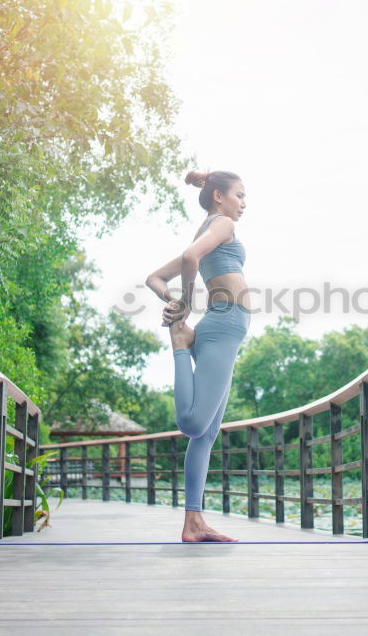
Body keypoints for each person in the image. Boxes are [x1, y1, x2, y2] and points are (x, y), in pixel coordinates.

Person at [144, 169, 250, 542]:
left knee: (205, 435)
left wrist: (172, 299)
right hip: (223, 326)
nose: (244, 203)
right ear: (219, 196)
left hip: (222, 330)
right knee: (192, 424)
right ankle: (179, 346)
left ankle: (194, 524)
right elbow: (190, 257)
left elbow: (154, 278)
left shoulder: (207, 228)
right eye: (239, 194)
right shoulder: (221, 224)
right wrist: (186, 303)